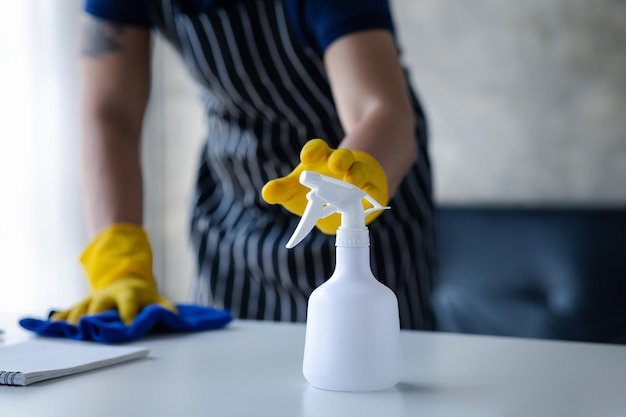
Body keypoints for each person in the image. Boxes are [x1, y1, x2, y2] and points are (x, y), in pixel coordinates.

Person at [52, 0, 436, 330]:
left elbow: (381, 110)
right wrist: (118, 261)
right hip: (232, 211)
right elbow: (112, 116)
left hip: (364, 202)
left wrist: (351, 180)